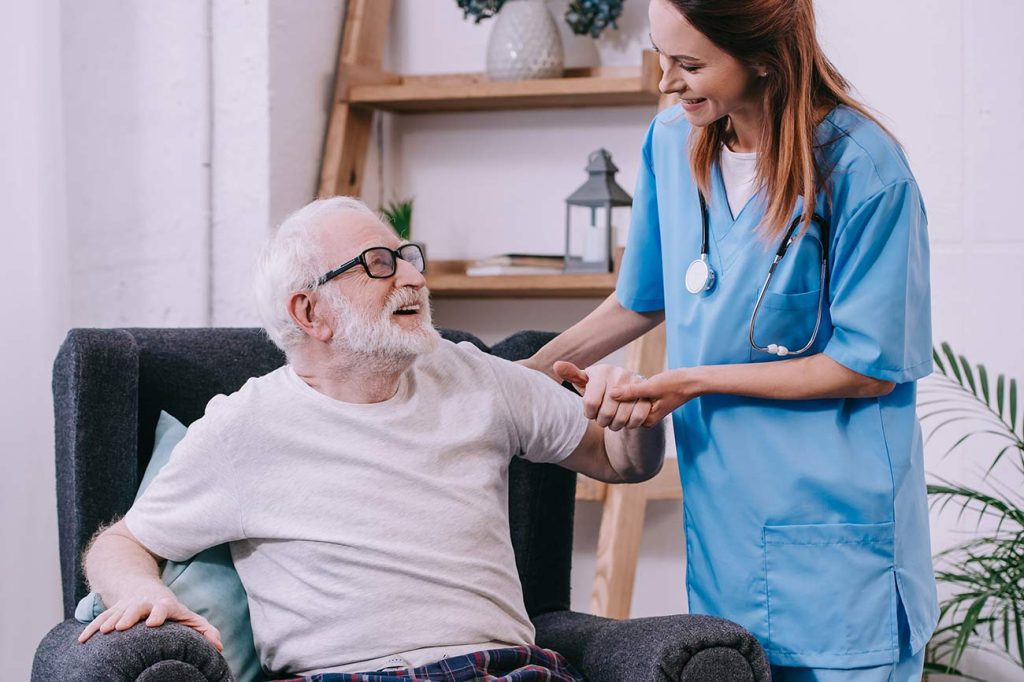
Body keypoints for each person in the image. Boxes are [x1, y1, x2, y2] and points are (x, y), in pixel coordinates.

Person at [77, 196, 666, 681]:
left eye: (408, 257)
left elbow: (618, 461)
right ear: (310, 312)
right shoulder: (245, 427)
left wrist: (636, 416)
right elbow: (120, 543)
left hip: (509, 671)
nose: (412, 275)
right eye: (379, 263)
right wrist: (138, 592)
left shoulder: (472, 373)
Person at [523, 1, 937, 680]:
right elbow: (641, 297)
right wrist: (522, 370)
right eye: (662, 55)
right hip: (728, 531)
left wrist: (688, 381)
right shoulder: (670, 141)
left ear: (764, 57)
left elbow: (868, 366)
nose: (666, 81)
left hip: (838, 544)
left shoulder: (864, 169)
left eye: (689, 64)